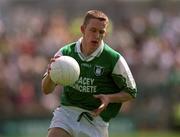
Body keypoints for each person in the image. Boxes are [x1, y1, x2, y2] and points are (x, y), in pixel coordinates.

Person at [42, 10, 137, 137]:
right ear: (83, 29)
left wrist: (109, 98)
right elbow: (46, 90)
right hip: (67, 114)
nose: (97, 36)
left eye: (101, 32)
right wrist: (50, 75)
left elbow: (131, 92)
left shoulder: (113, 59)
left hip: (96, 120)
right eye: (93, 30)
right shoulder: (65, 54)